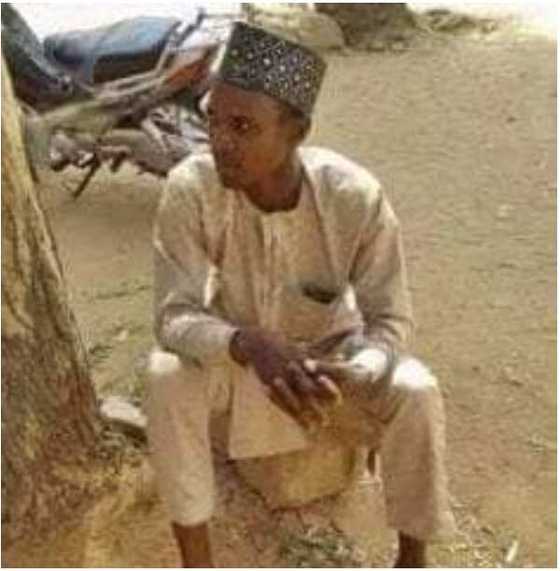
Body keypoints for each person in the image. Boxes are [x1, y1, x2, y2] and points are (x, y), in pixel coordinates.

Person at [145, 23, 453, 567]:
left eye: (243, 126)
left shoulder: (354, 197)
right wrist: (247, 344)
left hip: (330, 371)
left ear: (297, 132)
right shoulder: (191, 188)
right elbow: (174, 317)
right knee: (167, 375)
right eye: (213, 119)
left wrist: (363, 365)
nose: (220, 141)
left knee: (418, 389)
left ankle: (412, 558)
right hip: (239, 363)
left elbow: (392, 321)